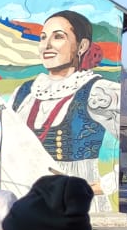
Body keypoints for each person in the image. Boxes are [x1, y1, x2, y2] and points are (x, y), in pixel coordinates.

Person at [7, 11, 120, 209]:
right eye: (43, 38)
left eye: (58, 37)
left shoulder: (98, 91)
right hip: (28, 202)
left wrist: (101, 186)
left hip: (75, 204)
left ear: (82, 46)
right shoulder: (24, 92)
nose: (46, 45)